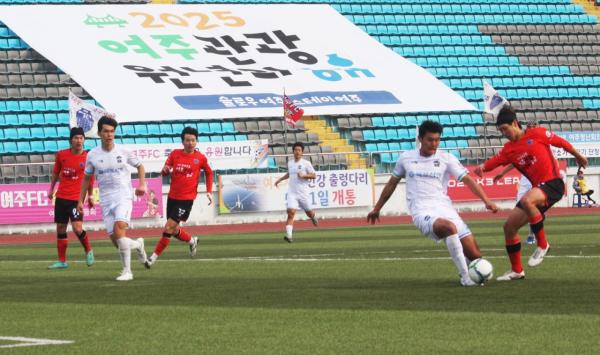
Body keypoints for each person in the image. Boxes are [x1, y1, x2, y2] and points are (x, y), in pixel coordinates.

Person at [367, 120, 498, 287]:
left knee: (476, 257)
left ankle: (470, 269)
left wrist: (486, 201)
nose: (434, 144)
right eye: (430, 139)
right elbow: (392, 183)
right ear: (420, 138)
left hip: (445, 208)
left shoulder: (446, 158)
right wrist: (377, 208)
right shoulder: (406, 158)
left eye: (437, 140)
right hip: (422, 211)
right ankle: (465, 277)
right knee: (449, 228)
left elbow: (467, 180)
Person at [475, 106, 588, 281]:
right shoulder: (509, 149)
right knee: (509, 228)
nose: (504, 133)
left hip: (553, 183)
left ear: (515, 123)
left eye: (505, 128)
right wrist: (482, 167)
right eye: (500, 130)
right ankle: (517, 270)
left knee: (527, 201)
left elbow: (560, 142)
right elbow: (495, 161)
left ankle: (543, 244)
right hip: (538, 189)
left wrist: (578, 155)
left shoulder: (536, 133)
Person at [77, 116, 148, 281]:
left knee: (119, 231)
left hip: (123, 196)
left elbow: (140, 166)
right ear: (99, 133)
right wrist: (81, 199)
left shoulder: (123, 151)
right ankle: (138, 245)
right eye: (106, 131)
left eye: (112, 132)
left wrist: (142, 184)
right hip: (106, 199)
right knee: (117, 241)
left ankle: (127, 271)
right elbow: (87, 178)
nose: (109, 135)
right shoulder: (92, 155)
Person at [145, 126, 213, 268]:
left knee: (168, 227)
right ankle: (192, 241)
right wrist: (164, 170)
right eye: (187, 140)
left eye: (193, 140)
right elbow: (165, 170)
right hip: (172, 197)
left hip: (186, 199)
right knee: (174, 230)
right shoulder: (175, 154)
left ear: (196, 141)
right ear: (182, 141)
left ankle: (152, 258)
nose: (190, 143)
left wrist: (209, 191)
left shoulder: (200, 158)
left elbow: (209, 172)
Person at [47, 127, 95, 269]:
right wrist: (51, 189)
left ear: (84, 140)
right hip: (61, 197)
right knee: (61, 228)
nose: (79, 140)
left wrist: (91, 195)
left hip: (76, 198)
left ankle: (88, 250)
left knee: (77, 228)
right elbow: (56, 173)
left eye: (81, 138)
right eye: (76, 138)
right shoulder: (61, 155)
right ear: (71, 140)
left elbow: (90, 178)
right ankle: (62, 261)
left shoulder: (88, 157)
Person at [274, 142, 318, 243]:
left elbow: (314, 175)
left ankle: (313, 217)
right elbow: (290, 173)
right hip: (292, 193)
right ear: (293, 151)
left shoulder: (306, 163)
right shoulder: (290, 163)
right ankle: (289, 236)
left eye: (299, 150)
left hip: (303, 193)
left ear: (302, 152)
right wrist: (280, 179)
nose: (297, 152)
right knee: (290, 213)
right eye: (295, 150)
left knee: (309, 213)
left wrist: (304, 176)